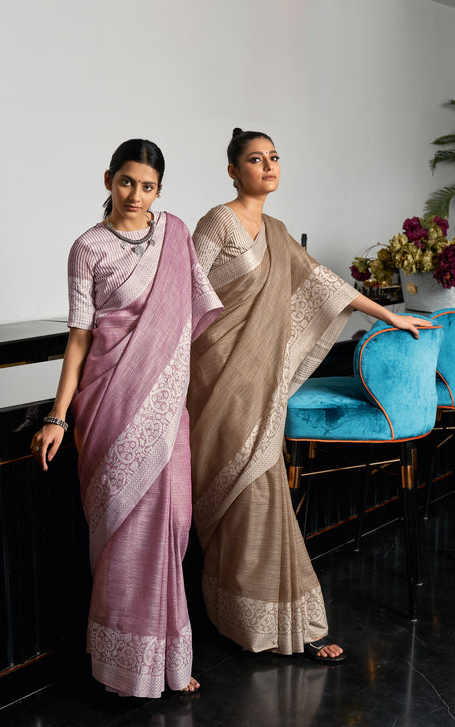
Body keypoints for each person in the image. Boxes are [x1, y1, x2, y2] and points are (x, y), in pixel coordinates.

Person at [187, 128, 431, 663]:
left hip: (259, 381)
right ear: (233, 171)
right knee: (237, 491)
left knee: (261, 489)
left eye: (274, 157)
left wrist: (389, 316)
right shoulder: (218, 221)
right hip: (217, 378)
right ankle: (244, 617)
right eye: (256, 159)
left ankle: (271, 618)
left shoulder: (277, 232)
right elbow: (183, 293)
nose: (268, 166)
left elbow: (327, 286)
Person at [30, 138, 223, 697]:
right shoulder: (87, 247)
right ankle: (125, 667)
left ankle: (167, 656)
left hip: (165, 401)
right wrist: (58, 417)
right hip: (108, 400)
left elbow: (189, 318)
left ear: (159, 190)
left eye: (148, 187)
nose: (136, 195)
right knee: (123, 530)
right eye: (126, 182)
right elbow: (80, 337)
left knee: (172, 521)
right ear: (108, 180)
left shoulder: (175, 235)